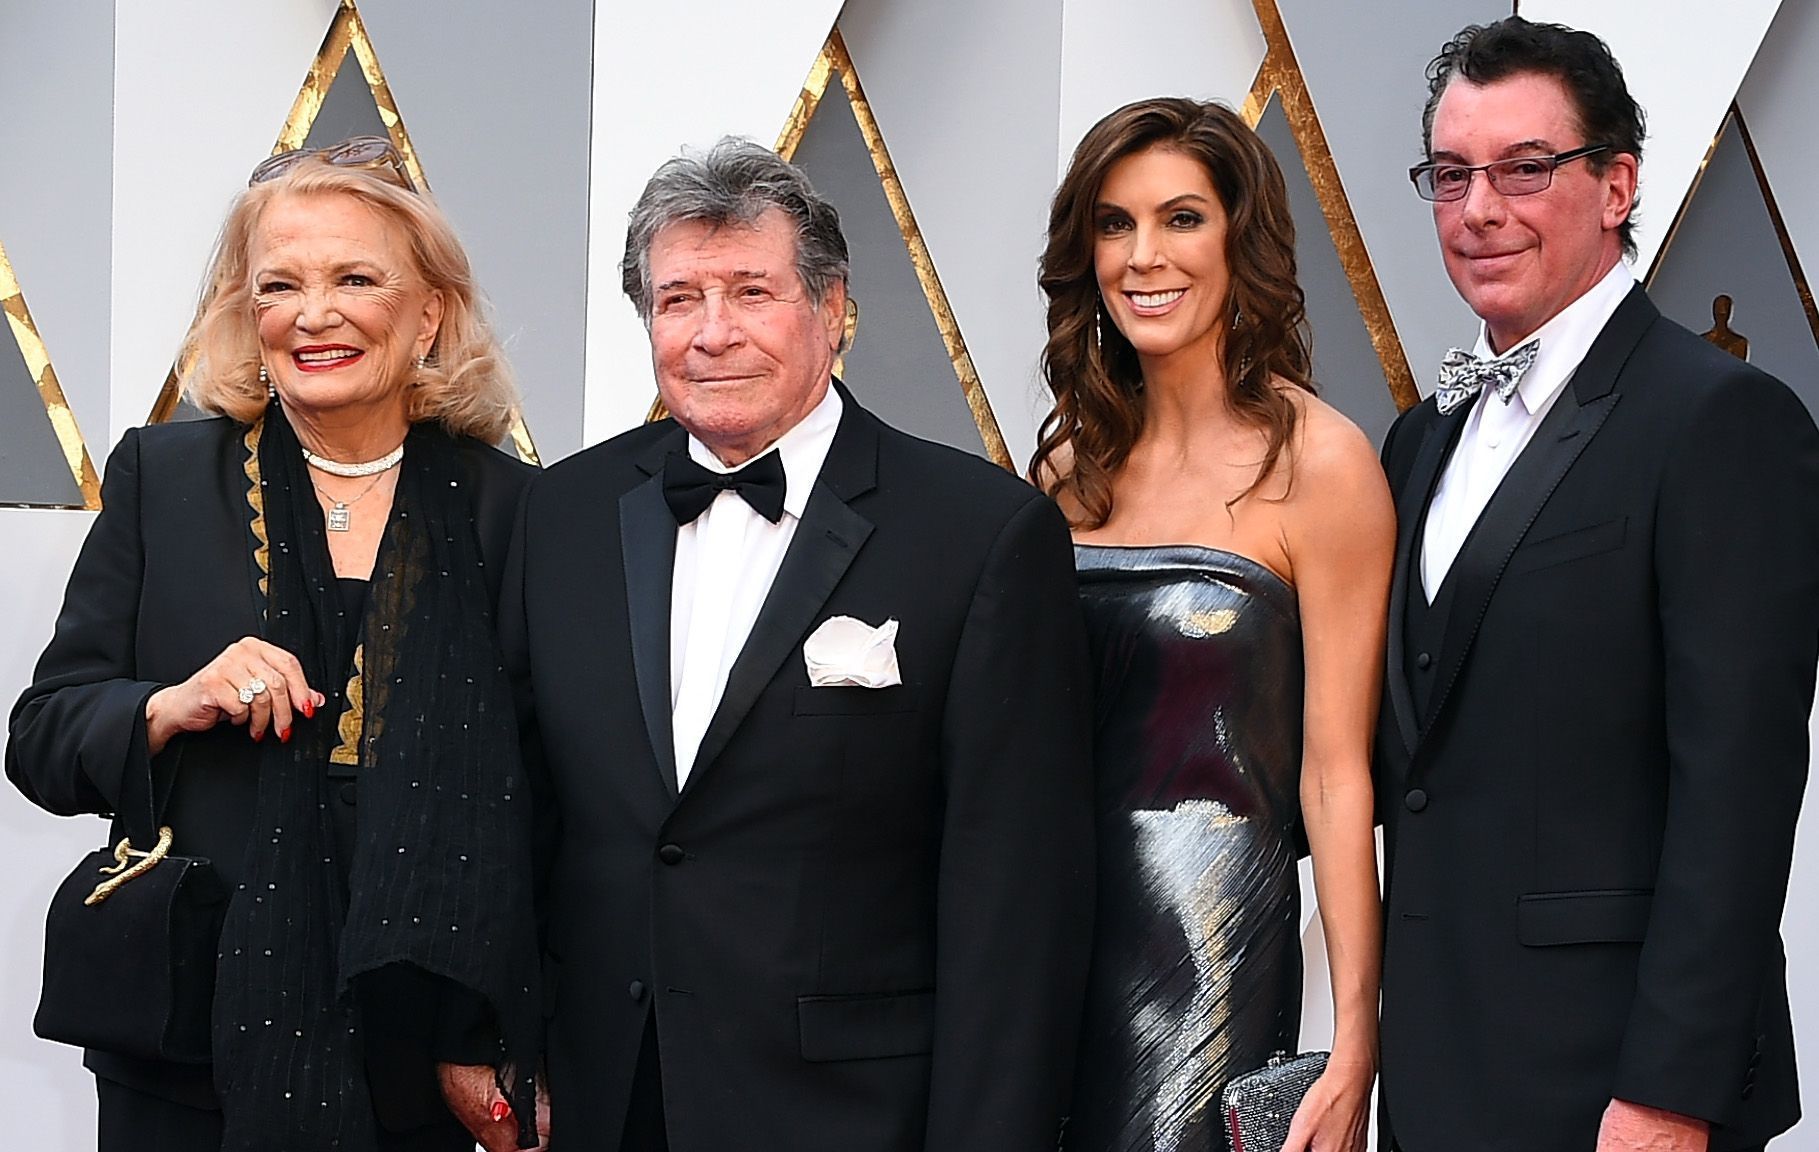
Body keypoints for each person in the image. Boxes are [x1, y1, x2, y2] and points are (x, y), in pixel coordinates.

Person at [501, 137, 1095, 1152]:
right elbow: (520, 809)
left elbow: (1016, 902)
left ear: (831, 312)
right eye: (679, 298)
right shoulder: (562, 512)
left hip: (852, 1116)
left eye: (750, 292)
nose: (711, 333)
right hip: (609, 1098)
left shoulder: (979, 533)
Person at [7, 137, 543, 1152]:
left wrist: (502, 1030)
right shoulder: (162, 481)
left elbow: (542, 798)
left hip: (412, 1058)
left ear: (428, 311)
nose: (314, 313)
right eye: (280, 284)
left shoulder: (514, 510)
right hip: (183, 1052)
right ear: (246, 312)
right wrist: (170, 704)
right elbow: (41, 736)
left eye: (355, 278)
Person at [1378, 18, 1819, 1152]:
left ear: (1617, 184)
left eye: (1526, 169)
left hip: (1617, 1086)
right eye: (1450, 175)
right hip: (1437, 1063)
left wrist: (1671, 1092)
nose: (1479, 209)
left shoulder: (1719, 418)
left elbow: (1738, 786)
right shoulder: (1416, 443)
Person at [1030, 97, 1390, 1152]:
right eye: (1113, 222)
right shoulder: (1064, 469)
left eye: (1181, 218)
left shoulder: (1320, 466)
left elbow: (1336, 776)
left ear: (1242, 240)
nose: (1144, 256)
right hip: (1047, 939)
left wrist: (1358, 1038)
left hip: (1207, 957)